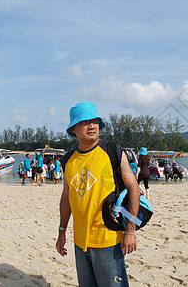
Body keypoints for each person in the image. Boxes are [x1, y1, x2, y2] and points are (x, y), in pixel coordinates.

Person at [56, 101, 140, 286]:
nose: (92, 125)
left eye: (95, 121)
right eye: (85, 122)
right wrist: (62, 231)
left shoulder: (113, 151)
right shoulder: (68, 160)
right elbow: (66, 197)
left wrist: (130, 231)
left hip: (107, 239)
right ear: (74, 129)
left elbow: (134, 188)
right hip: (80, 240)